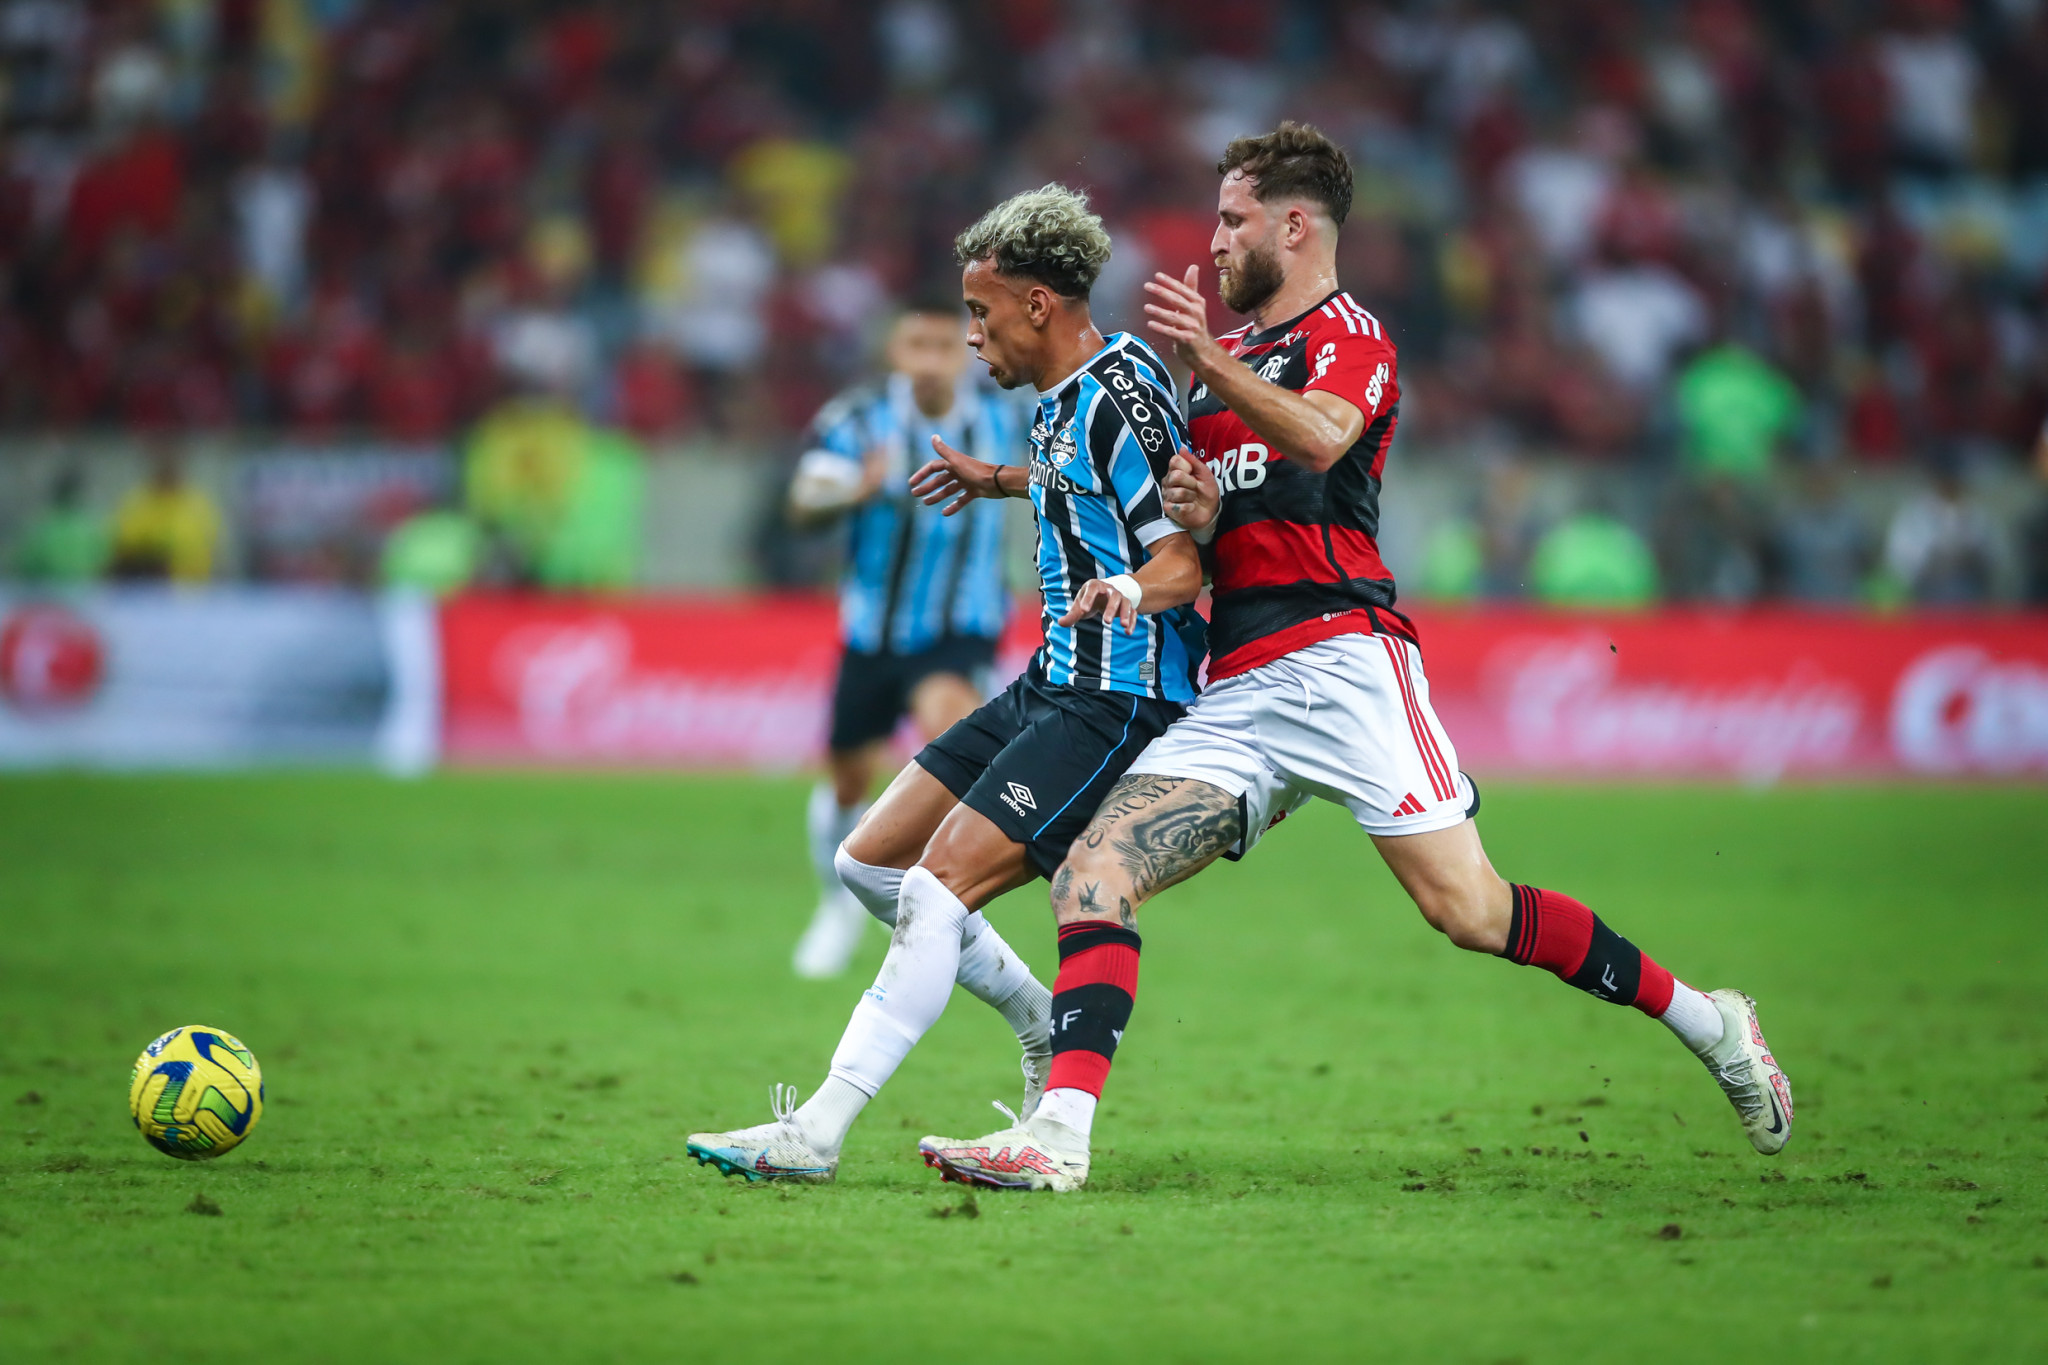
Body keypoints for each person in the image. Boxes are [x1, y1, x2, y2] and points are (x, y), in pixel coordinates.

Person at [920, 124, 1793, 1193]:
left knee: (1467, 912)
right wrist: (1054, 485)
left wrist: (1202, 364)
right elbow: (1163, 501)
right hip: (1237, 686)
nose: (1215, 239)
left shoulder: (1348, 336)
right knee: (1095, 875)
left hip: (1343, 665)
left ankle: (1710, 1022)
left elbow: (1324, 437)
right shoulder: (1224, 367)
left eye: (1232, 219)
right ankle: (1056, 1139)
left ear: (1295, 225)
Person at [685, 185, 1207, 1182]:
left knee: (934, 888)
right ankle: (1040, 1028)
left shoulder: (1116, 395)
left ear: (1038, 307)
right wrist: (998, 479)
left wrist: (1129, 587)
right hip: (1050, 680)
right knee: (868, 866)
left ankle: (816, 1130)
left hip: (1116, 698)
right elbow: (1077, 482)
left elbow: (1183, 560)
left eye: (981, 311)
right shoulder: (1069, 395)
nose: (972, 336)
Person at [785, 296, 1022, 979]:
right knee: (846, 778)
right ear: (896, 351)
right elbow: (801, 507)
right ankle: (836, 901)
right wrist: (853, 492)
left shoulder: (1005, 416)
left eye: (944, 346)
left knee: (949, 735)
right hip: (873, 632)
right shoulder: (857, 421)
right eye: (916, 345)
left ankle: (940, 901)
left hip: (961, 627)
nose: (930, 361)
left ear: (968, 348)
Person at [109, 444, 222, 583]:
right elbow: (124, 545)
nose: (166, 474)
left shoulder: (198, 503)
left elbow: (201, 548)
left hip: (189, 587)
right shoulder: (138, 501)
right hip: (144, 585)